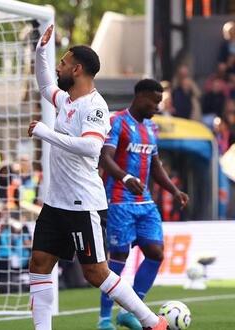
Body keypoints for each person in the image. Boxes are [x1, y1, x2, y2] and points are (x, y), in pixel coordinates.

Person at [28, 25, 168, 330]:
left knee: (96, 273)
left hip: (82, 204)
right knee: (39, 263)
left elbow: (91, 146)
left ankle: (151, 322)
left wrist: (46, 133)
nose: (59, 68)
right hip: (56, 202)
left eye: (63, 63)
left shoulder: (95, 108)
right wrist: (40, 52)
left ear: (77, 69)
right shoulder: (66, 100)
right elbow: (44, 85)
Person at [98, 79, 190, 330]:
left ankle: (132, 311)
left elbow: (155, 165)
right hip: (119, 201)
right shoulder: (117, 121)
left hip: (145, 203)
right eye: (153, 101)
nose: (156, 107)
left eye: (159, 102)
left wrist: (174, 189)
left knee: (156, 253)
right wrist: (126, 178)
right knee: (119, 258)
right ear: (139, 96)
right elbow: (105, 158)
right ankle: (104, 320)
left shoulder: (151, 128)